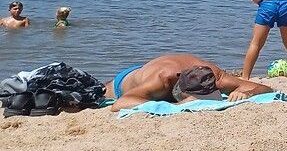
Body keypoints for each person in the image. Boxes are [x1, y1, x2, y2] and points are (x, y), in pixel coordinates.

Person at [105, 53, 273, 111]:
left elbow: (264, 88)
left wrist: (245, 92)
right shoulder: (162, 81)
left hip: (154, 68)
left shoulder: (214, 76)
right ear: (180, 91)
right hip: (124, 82)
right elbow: (119, 103)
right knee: (94, 92)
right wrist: (176, 106)